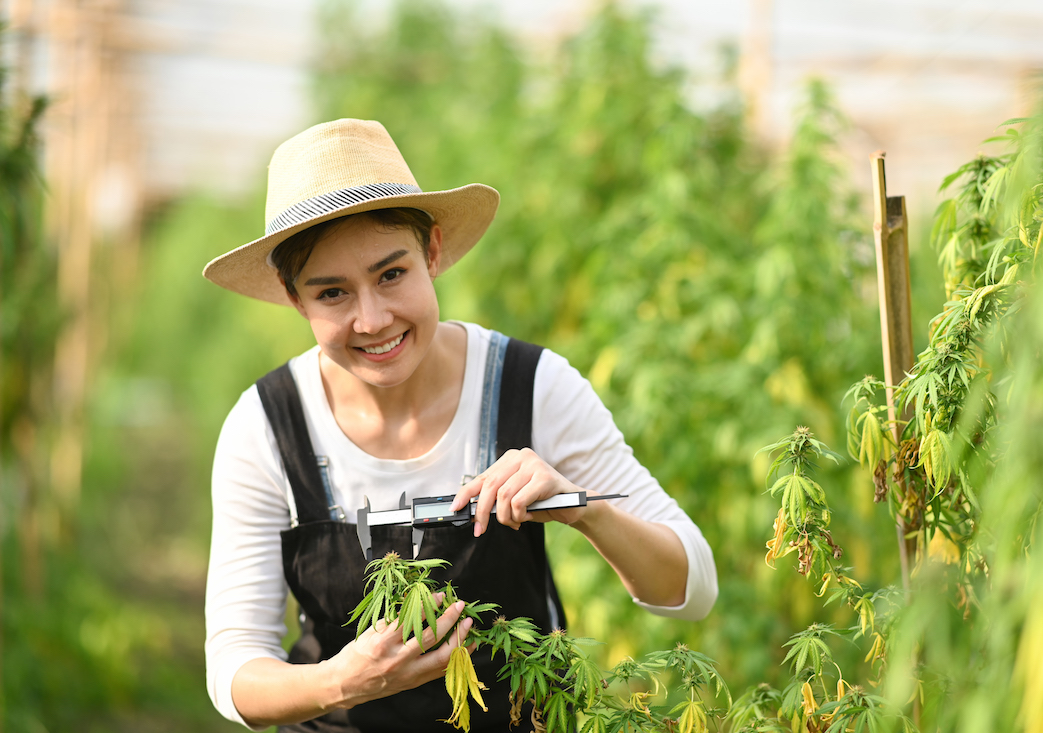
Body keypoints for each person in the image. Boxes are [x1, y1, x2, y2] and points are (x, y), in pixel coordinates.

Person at [202, 119, 718, 732]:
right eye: (333, 293)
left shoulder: (531, 386)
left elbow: (691, 588)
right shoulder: (268, 426)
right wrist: (346, 680)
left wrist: (586, 510)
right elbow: (234, 669)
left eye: (392, 275)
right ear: (295, 299)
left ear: (434, 253)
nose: (373, 320)